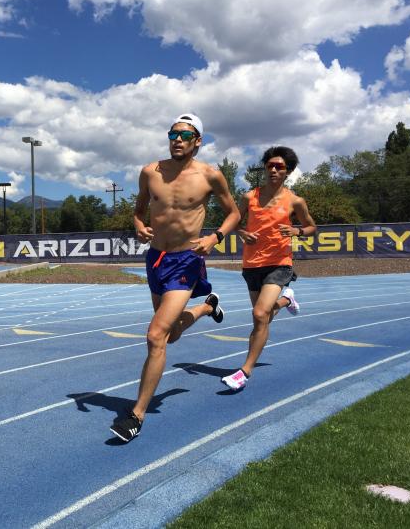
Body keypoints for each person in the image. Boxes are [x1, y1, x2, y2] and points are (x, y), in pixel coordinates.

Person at [110, 113, 241, 442]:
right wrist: (138, 226)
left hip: (187, 260)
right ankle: (208, 308)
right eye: (173, 134)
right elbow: (139, 210)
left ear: (198, 141)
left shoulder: (210, 176)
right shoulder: (150, 172)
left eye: (185, 135)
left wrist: (216, 237)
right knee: (170, 337)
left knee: (156, 335)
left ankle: (136, 415)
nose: (177, 139)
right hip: (156, 259)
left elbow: (234, 213)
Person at [221, 146, 317, 391]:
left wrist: (296, 231)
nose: (274, 169)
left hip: (280, 262)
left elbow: (311, 227)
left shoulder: (295, 201)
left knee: (259, 315)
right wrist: (242, 232)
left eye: (279, 167)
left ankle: (245, 371)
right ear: (264, 168)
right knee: (263, 316)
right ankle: (286, 300)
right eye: (270, 165)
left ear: (288, 172)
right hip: (252, 263)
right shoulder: (248, 197)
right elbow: (233, 222)